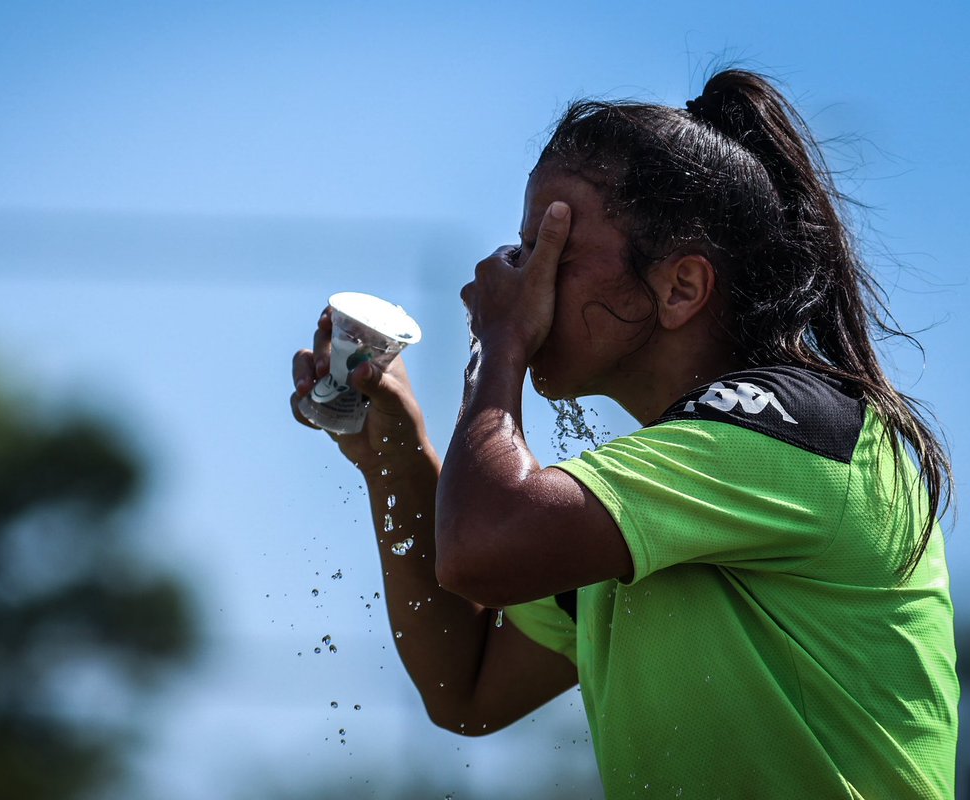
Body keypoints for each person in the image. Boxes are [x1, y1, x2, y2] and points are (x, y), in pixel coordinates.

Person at [290, 69, 957, 798]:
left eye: (551, 250)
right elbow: (467, 684)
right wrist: (394, 457)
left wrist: (500, 343)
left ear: (679, 288)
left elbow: (483, 550)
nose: (517, 278)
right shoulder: (668, 483)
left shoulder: (795, 432)